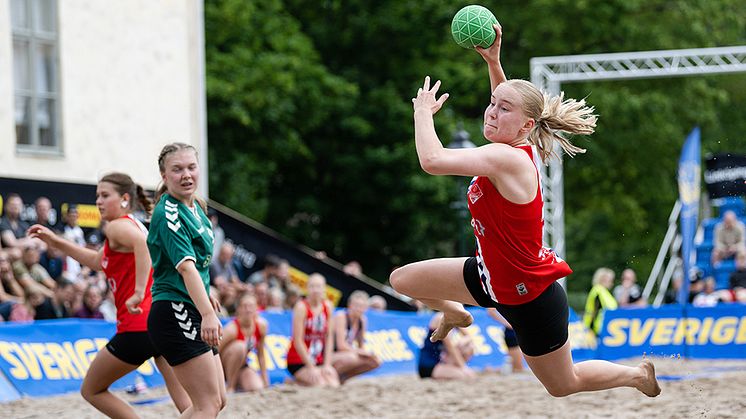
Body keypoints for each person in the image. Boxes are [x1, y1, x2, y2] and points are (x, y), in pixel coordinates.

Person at [389, 25, 660, 398]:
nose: (492, 111)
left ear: (527, 125)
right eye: (492, 103)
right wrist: (494, 63)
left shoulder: (506, 158)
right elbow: (512, 106)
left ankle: (636, 374)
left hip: (531, 298)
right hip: (489, 279)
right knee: (403, 280)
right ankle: (455, 313)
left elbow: (432, 160)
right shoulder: (513, 143)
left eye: (503, 108)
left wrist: (422, 111)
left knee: (565, 385)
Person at [29, 172, 190, 417]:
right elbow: (97, 261)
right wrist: (56, 241)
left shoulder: (116, 227)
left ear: (125, 198)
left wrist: (137, 292)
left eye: (105, 195)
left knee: (91, 390)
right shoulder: (132, 224)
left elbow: (143, 247)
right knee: (188, 406)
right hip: (160, 322)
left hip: (137, 326)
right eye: (97, 196)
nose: (99, 202)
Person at [146, 142, 226, 417]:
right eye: (177, 169)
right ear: (164, 175)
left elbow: (198, 269)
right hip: (174, 310)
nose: (186, 174)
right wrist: (207, 312)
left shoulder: (197, 209)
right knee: (208, 404)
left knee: (217, 401)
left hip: (188, 305)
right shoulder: (169, 212)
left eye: (191, 167)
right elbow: (186, 269)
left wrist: (205, 295)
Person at [285, 273, 339, 387]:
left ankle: (298, 382)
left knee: (334, 384)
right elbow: (298, 340)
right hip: (299, 361)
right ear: (307, 288)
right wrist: (311, 366)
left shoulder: (328, 306)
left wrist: (327, 364)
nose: (315, 290)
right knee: (321, 384)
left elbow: (329, 337)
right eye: (312, 286)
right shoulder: (301, 307)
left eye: (319, 286)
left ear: (324, 289)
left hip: (318, 358)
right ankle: (295, 381)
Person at [219, 293, 268, 392]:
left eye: (251, 306)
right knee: (240, 347)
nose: (248, 309)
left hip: (241, 366)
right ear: (239, 309)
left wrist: (265, 378)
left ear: (256, 309)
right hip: (223, 366)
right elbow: (214, 351)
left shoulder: (261, 326)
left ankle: (237, 382)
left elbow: (261, 354)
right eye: (244, 306)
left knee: (256, 387)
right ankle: (230, 386)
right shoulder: (231, 329)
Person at [331, 290, 381, 383]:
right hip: (329, 354)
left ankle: (344, 378)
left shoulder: (362, 320)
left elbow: (361, 345)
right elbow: (341, 345)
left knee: (375, 361)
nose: (358, 309)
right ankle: (332, 377)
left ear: (366, 308)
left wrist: (367, 354)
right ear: (349, 305)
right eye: (356, 305)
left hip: (343, 353)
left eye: (362, 306)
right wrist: (360, 352)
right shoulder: (341, 317)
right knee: (352, 358)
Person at [417, 312, 476, 380]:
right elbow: (450, 347)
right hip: (429, 365)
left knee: (469, 347)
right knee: (463, 376)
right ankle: (459, 368)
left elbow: (469, 337)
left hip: (440, 361)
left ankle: (456, 368)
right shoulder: (440, 318)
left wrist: (464, 340)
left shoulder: (453, 317)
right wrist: (463, 367)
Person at [487, 308, 524, 373]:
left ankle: (495, 370)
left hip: (515, 328)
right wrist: (508, 324)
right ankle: (494, 370)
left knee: (517, 367)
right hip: (512, 330)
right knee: (518, 367)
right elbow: (490, 312)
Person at [584, 268, 619, 335]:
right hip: (596, 330)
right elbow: (595, 311)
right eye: (610, 280)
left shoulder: (604, 292)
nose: (612, 283)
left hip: (605, 328)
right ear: (603, 279)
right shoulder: (598, 291)